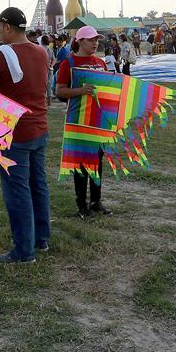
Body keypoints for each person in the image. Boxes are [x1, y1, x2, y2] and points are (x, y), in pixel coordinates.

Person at [0, 7, 51, 264]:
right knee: (38, 185)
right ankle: (41, 238)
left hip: (14, 134)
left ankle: (23, 251)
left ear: (8, 27)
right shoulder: (42, 52)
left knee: (17, 191)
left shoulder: (1, 55)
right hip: (39, 128)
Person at [56, 26, 112, 219]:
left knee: (97, 161)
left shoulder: (100, 63)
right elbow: (59, 91)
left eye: (97, 39)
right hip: (78, 121)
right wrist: (81, 91)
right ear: (80, 41)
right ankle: (82, 205)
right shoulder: (68, 63)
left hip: (99, 120)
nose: (95, 43)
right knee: (81, 164)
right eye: (91, 39)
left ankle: (96, 201)